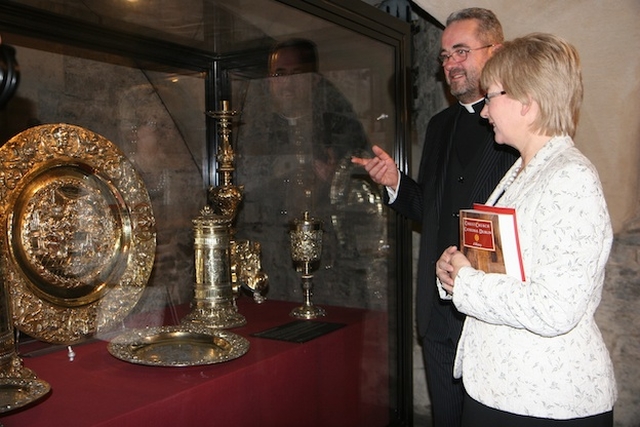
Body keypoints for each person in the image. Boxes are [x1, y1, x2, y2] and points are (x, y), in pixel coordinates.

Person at [436, 33, 616, 426]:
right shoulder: (521, 170)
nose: (485, 112)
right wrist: (456, 270)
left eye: (493, 96)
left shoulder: (570, 177)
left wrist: (467, 284)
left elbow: (556, 308)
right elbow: (508, 267)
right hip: (502, 390)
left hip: (544, 400)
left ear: (527, 103)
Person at [352, 8, 517, 426]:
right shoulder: (439, 125)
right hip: (438, 314)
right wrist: (395, 184)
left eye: (461, 51)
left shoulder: (519, 121)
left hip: (491, 314)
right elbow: (430, 208)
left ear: (495, 51)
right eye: (444, 56)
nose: (450, 65)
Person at [235, 38, 378, 306]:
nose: (287, 82)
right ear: (269, 81)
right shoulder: (251, 132)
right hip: (272, 265)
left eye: (297, 73)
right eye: (279, 74)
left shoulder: (341, 129)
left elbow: (366, 195)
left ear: (314, 80)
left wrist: (335, 183)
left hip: (329, 264)